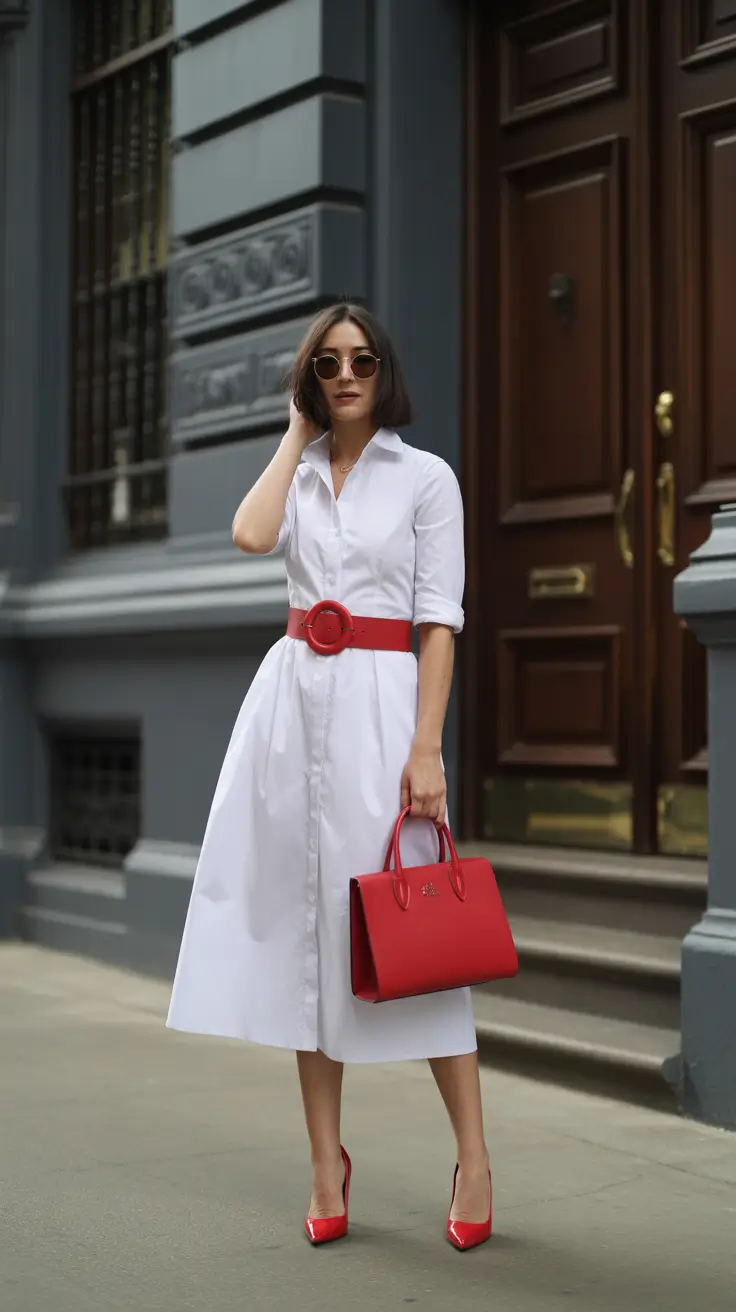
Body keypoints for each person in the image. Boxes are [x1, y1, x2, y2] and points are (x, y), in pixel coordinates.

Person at [166, 302, 492, 1251]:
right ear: (310, 378)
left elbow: (440, 620)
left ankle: (474, 1157)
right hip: (291, 714)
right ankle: (324, 1159)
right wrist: (295, 433)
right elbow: (248, 535)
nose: (346, 374)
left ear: (384, 370)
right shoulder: (301, 471)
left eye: (361, 360)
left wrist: (426, 747)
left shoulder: (427, 479)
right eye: (327, 364)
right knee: (313, 938)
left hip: (386, 715)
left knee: (418, 930)